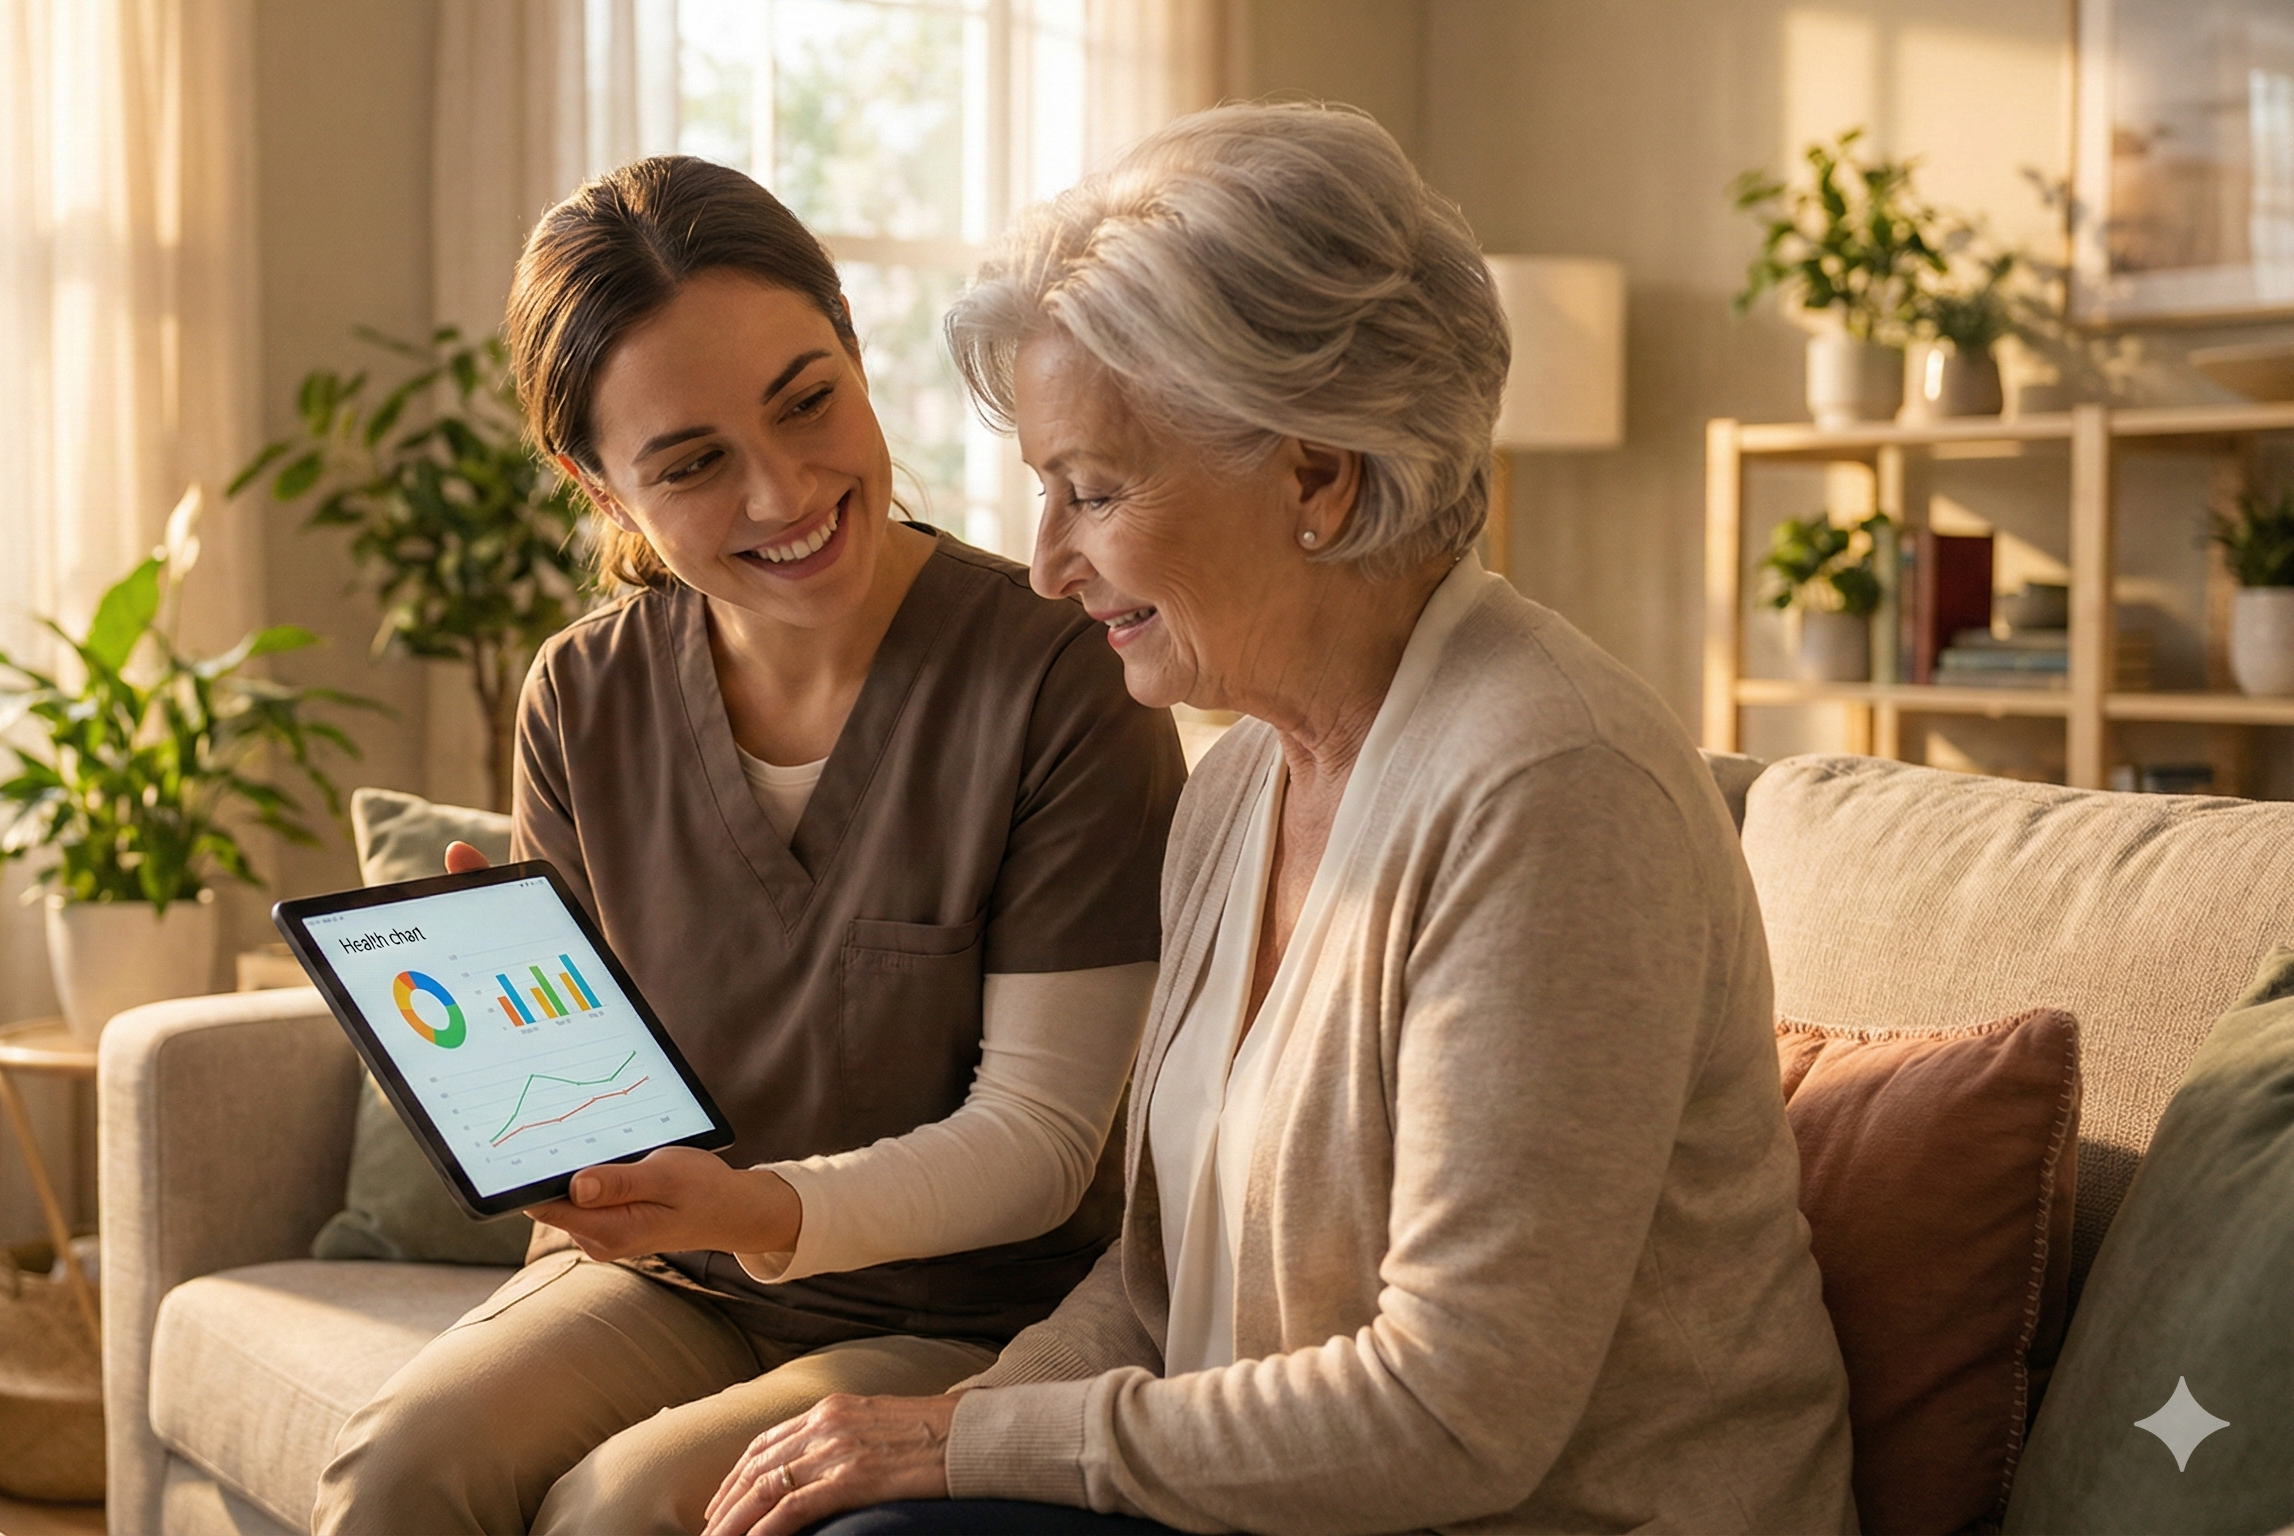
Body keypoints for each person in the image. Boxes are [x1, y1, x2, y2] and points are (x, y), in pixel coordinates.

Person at [703, 102, 1857, 1536]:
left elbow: (1450, 1414)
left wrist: (976, 1453)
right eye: (1041, 496)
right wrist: (947, 1427)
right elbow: (1153, 1278)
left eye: (1095, 492)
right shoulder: (1241, 783)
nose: (1047, 566)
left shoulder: (1552, 790)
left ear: (1318, 475)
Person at [311, 156, 1188, 1536]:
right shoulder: (583, 699)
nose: (786, 492)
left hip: (960, 1308)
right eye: (695, 463)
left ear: (850, 344)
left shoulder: (1055, 674)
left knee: (622, 1510)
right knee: (401, 1461)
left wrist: (755, 1205)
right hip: (683, 1281)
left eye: (809, 400)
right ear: (596, 485)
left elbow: (1039, 1145)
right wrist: (506, 1076)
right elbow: (602, 1121)